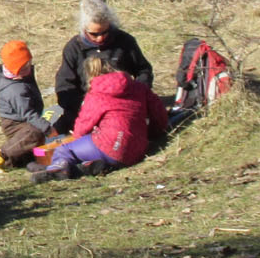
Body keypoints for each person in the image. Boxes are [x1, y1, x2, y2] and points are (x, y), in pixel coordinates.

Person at [30, 58, 170, 182]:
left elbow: (83, 126)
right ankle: (87, 166)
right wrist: (156, 133)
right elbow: (159, 113)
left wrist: (75, 139)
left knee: (65, 151)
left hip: (110, 147)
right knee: (95, 147)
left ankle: (57, 168)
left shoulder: (97, 94)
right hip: (138, 150)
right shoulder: (138, 87)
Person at [52, 0, 154, 135]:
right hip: (86, 108)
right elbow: (64, 85)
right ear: (83, 28)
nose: (100, 38)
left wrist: (137, 92)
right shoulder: (73, 48)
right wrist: (82, 106)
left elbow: (144, 70)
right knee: (57, 131)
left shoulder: (124, 41)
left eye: (105, 32)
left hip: (121, 105)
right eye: (94, 34)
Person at [0, 40, 57, 173]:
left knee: (21, 159)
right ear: (14, 68)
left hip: (24, 121)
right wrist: (47, 129)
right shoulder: (15, 90)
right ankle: (1, 153)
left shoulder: (21, 76)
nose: (29, 68)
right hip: (16, 124)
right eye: (24, 67)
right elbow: (28, 114)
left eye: (29, 64)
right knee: (35, 133)